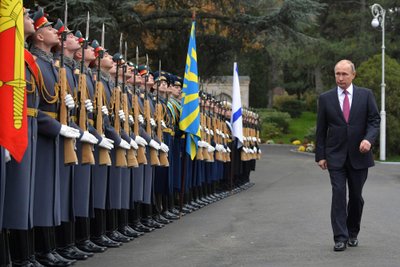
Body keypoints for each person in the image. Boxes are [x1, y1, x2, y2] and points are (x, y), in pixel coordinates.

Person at [315, 59, 380, 252]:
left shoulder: (365, 95)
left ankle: (352, 233)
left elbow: (374, 120)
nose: (340, 78)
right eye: (337, 74)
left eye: (344, 74)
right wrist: (321, 155)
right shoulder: (326, 98)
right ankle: (340, 237)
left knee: (356, 197)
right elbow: (321, 129)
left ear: (353, 75)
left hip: (360, 156)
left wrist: (368, 139)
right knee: (338, 194)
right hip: (335, 155)